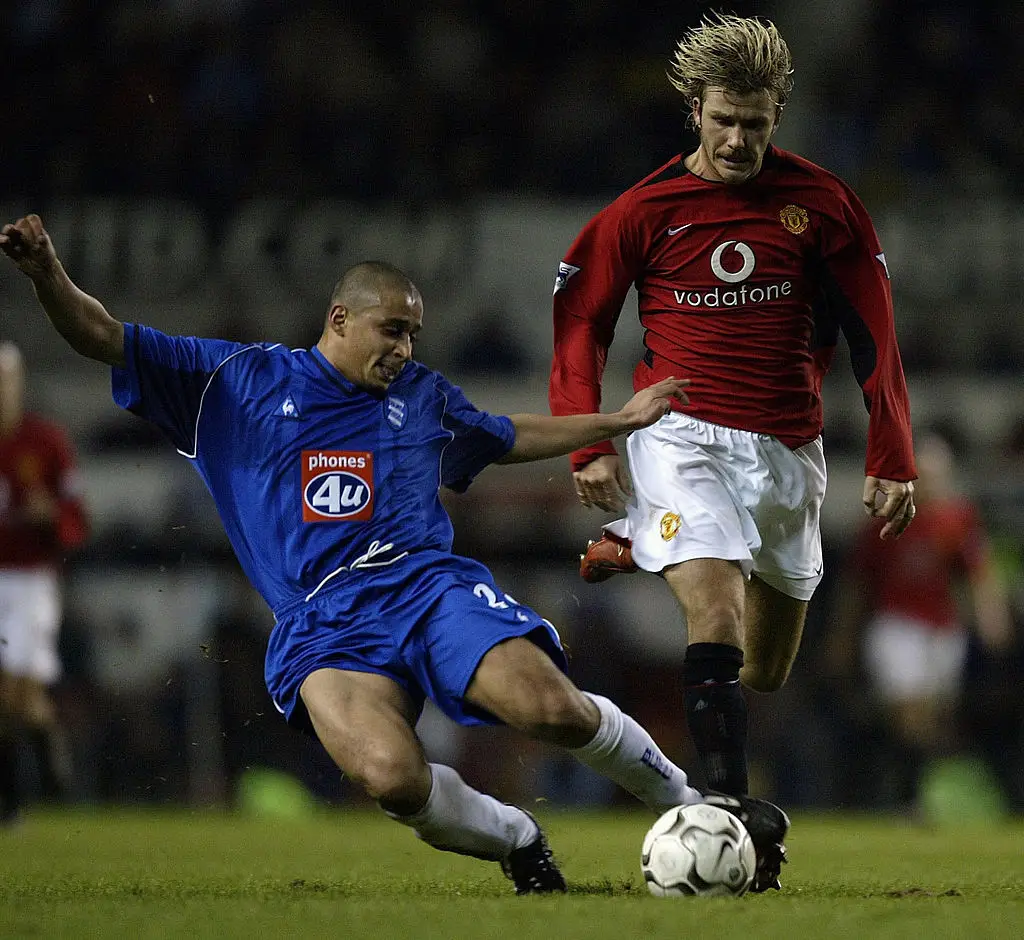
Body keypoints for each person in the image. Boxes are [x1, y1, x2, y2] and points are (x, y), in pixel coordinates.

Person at [0, 214, 789, 892]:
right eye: (393, 329)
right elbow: (102, 336)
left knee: (550, 708)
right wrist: (47, 274)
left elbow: (508, 436)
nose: (407, 348)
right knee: (389, 777)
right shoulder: (236, 381)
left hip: (425, 588)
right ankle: (517, 838)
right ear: (340, 318)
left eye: (414, 332)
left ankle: (700, 807)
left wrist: (615, 422)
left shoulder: (424, 397)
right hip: (320, 624)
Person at [548, 14, 917, 802]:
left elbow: (873, 332)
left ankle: (640, 537)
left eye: (754, 123)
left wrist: (893, 454)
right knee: (714, 614)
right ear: (694, 109)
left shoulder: (823, 204)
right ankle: (726, 814)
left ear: (777, 111)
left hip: (787, 450)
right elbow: (581, 325)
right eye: (723, 121)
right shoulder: (643, 210)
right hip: (680, 436)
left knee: (766, 669)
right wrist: (590, 443)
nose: (738, 141)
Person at [827, 431, 1012, 811]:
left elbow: (978, 572)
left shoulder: (957, 520)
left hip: (942, 630)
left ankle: (912, 790)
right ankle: (911, 797)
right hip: (896, 627)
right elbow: (858, 585)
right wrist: (844, 636)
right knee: (908, 712)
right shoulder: (883, 521)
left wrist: (991, 618)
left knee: (933, 717)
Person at [0, 341, 88, 824]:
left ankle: (42, 739)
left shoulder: (45, 442)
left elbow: (77, 517)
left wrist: (49, 517)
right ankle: (14, 796)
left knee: (17, 694)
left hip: (30, 582)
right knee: (10, 695)